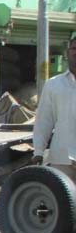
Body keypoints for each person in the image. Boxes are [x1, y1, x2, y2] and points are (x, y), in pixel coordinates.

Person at [31, 36, 76, 181]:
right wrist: (38, 151)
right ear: (68, 53)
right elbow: (44, 120)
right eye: (74, 49)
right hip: (62, 157)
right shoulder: (53, 85)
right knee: (62, 201)